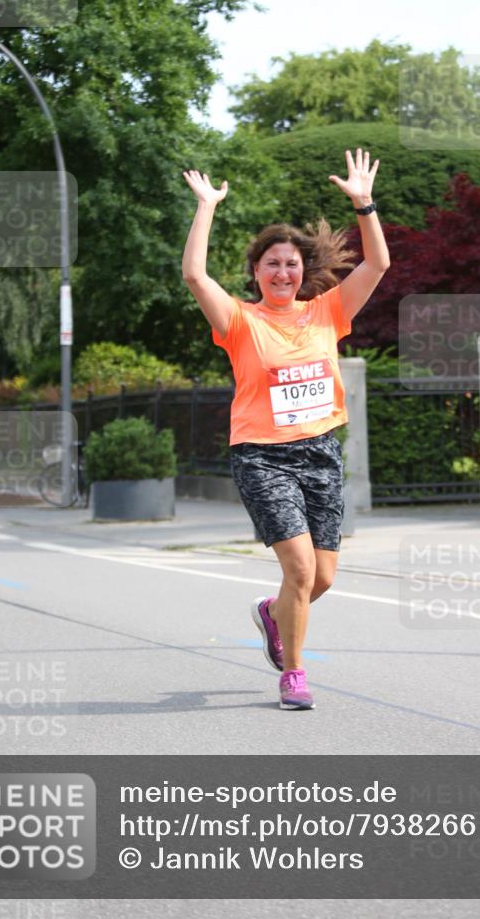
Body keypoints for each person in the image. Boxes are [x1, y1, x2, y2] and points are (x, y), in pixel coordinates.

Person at [182, 149, 390, 710]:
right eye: (272, 263)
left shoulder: (327, 311)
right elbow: (195, 275)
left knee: (320, 579)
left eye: (291, 264)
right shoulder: (240, 321)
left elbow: (377, 267)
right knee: (297, 567)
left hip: (320, 452)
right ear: (256, 272)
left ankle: (273, 616)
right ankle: (293, 675)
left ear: (303, 271)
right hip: (262, 457)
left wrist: (363, 203)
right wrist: (207, 207)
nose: (282, 272)